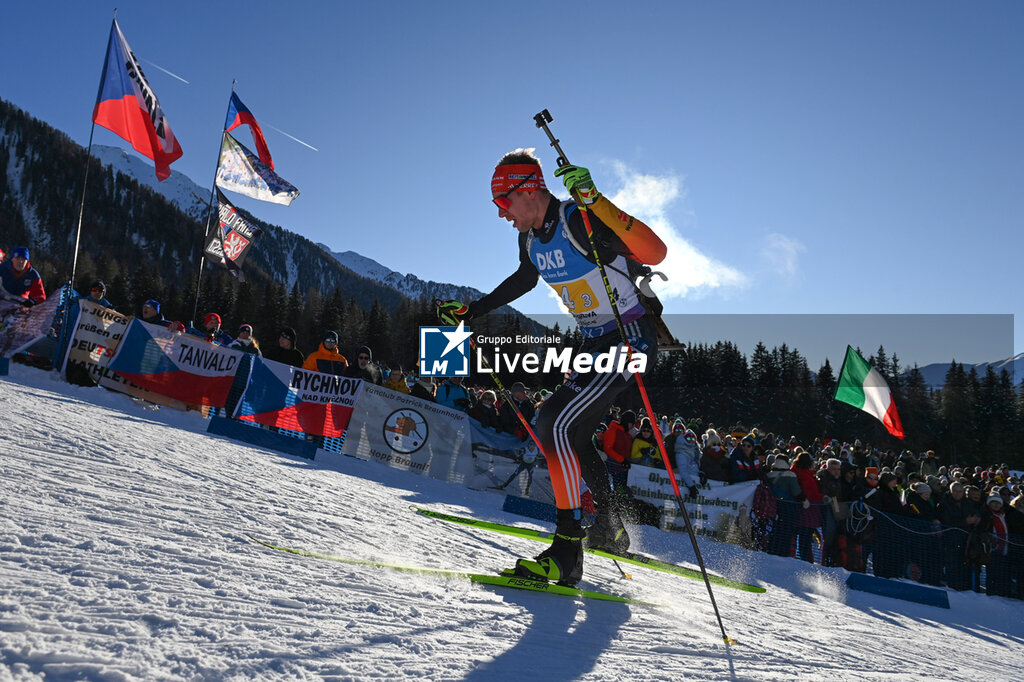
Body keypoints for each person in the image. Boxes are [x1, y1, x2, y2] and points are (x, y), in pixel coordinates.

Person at [435, 148, 668, 586]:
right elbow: (525, 278)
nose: (501, 214)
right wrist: (473, 309)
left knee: (552, 420)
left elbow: (655, 252)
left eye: (502, 202)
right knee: (574, 436)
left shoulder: (577, 219)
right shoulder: (528, 239)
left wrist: (596, 200)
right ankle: (610, 526)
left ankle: (566, 552)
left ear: (528, 190)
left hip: (631, 338)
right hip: (597, 344)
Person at [602, 410, 635, 493]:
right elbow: (608, 448)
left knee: (624, 489)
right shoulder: (613, 431)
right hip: (614, 468)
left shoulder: (628, 435)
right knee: (618, 489)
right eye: (632, 423)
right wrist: (622, 460)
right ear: (627, 422)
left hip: (624, 468)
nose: (633, 426)